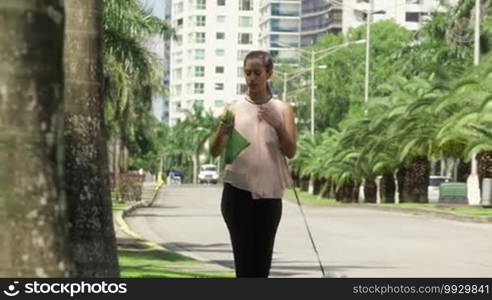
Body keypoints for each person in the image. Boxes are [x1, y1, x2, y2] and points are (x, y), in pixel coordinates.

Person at [210, 50, 297, 277]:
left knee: (262, 263)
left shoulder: (283, 109)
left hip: (269, 197)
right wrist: (222, 129)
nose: (251, 78)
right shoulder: (233, 108)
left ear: (269, 73)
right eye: (247, 73)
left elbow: (291, 151)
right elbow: (214, 150)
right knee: (244, 262)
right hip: (236, 195)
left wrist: (278, 125)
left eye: (257, 73)